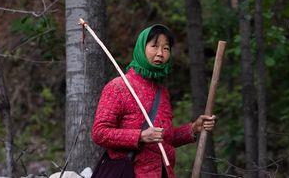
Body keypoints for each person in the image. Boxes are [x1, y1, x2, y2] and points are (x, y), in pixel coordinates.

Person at [92, 24, 216, 178]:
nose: (160, 53)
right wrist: (140, 136)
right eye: (154, 46)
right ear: (141, 49)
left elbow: (165, 138)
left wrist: (193, 128)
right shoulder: (119, 86)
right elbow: (99, 133)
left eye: (166, 48)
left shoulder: (162, 92)